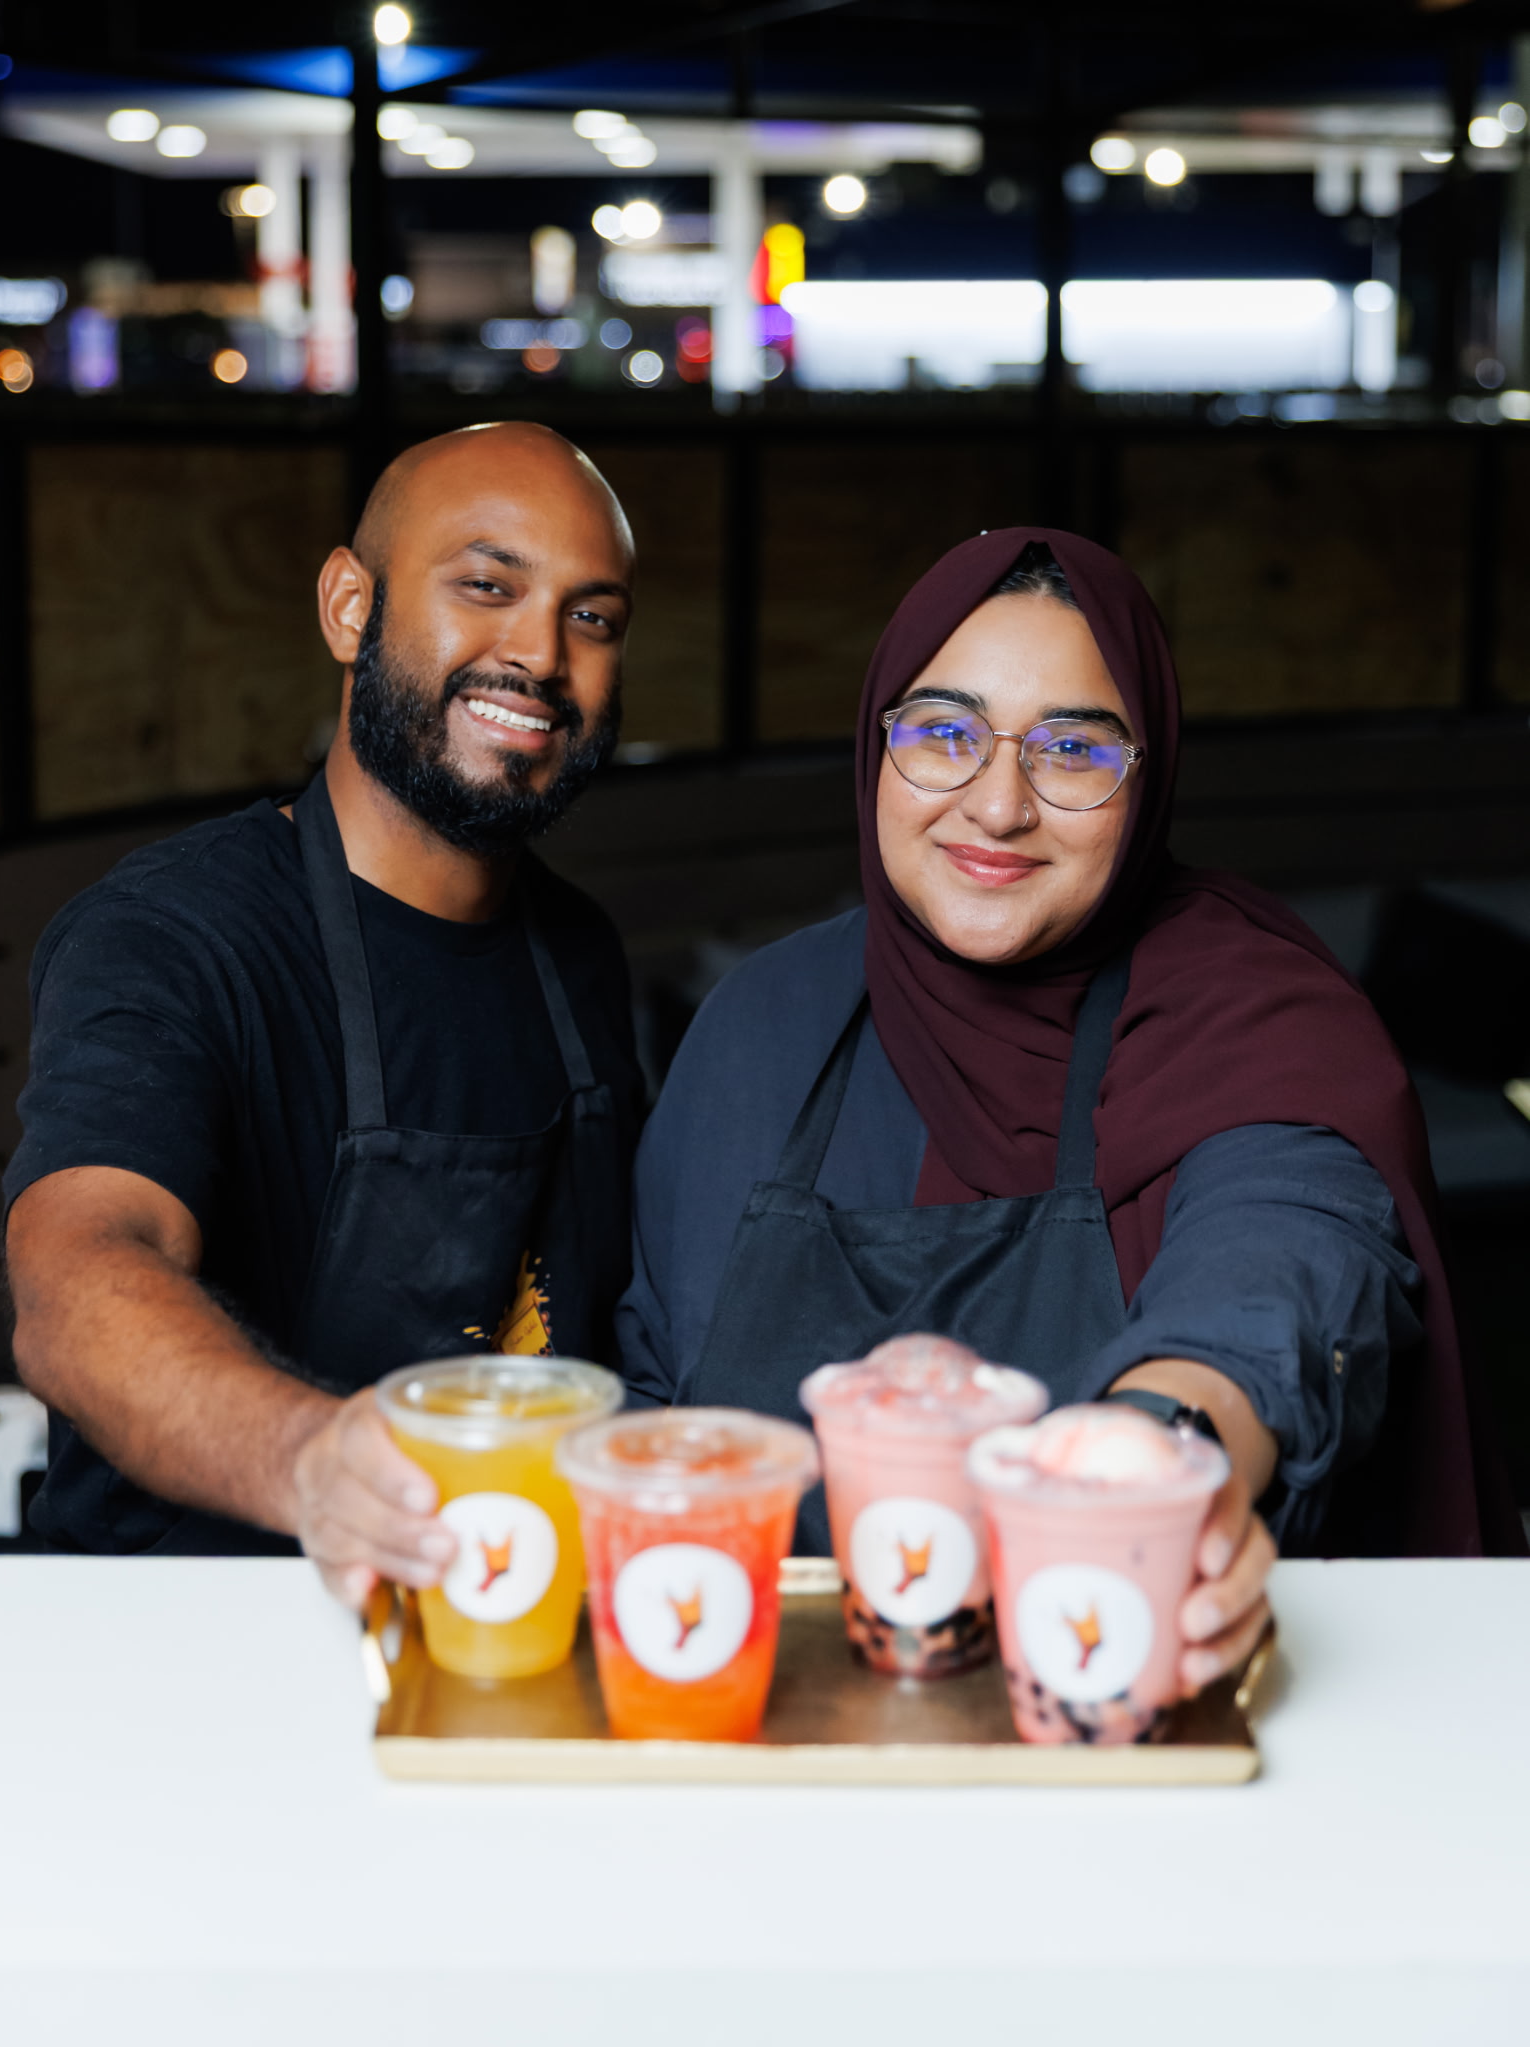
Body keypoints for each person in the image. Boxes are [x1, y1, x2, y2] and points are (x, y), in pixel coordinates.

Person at [618, 528, 1523, 1693]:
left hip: (1131, 1721)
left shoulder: (1248, 1011)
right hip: (758, 1719)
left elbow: (1285, 1258)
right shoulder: (763, 1026)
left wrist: (1160, 1451)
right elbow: (655, 1392)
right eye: (942, 733)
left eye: (1073, 750)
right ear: (874, 750)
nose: (998, 806)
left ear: (1147, 778)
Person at [6, 422, 644, 1606]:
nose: (542, 657)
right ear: (351, 607)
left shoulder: (581, 958)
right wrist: (312, 1461)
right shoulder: (175, 936)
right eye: (488, 586)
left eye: (592, 615)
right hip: (192, 1639)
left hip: (488, 1622)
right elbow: (80, 1278)